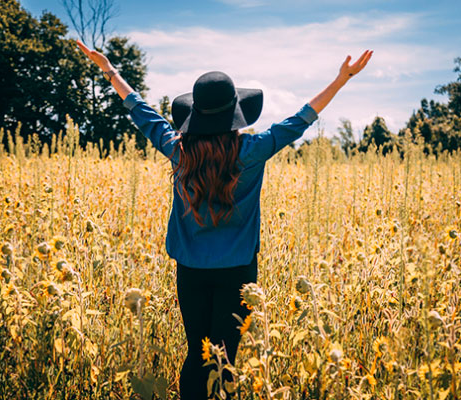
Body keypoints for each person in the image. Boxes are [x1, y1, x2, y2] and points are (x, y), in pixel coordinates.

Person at [77, 39, 372, 399]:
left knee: (196, 356)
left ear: (194, 114)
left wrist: (109, 69)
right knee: (223, 359)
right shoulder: (252, 151)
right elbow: (302, 118)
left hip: (190, 272)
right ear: (236, 114)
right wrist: (343, 79)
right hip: (239, 275)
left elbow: (142, 111)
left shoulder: (178, 151)